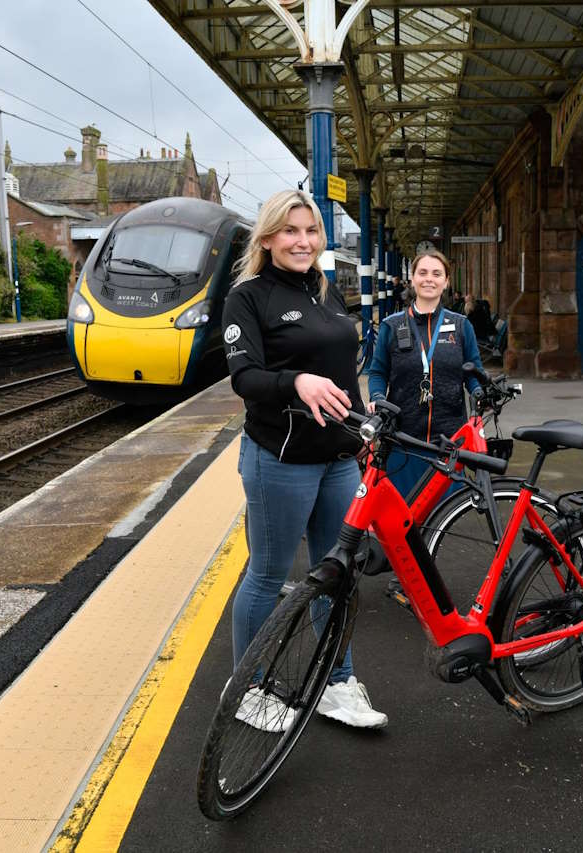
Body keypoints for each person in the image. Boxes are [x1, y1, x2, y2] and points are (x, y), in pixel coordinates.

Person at [221, 189, 387, 730]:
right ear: (268, 238)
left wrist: (364, 428)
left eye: (311, 231)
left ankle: (337, 683)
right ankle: (247, 689)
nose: (303, 241)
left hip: (338, 458)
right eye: (291, 231)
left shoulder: (325, 290)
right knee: (267, 575)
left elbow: (342, 375)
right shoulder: (248, 297)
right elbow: (245, 378)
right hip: (280, 459)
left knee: (336, 575)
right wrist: (297, 381)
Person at [367, 248, 484, 500]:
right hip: (402, 440)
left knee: (444, 518)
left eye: (436, 273)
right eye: (423, 273)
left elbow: (473, 371)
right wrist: (377, 397)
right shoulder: (392, 325)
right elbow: (377, 372)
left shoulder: (462, 326)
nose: (429, 279)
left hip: (450, 440)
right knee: (403, 516)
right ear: (413, 279)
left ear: (446, 281)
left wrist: (479, 392)